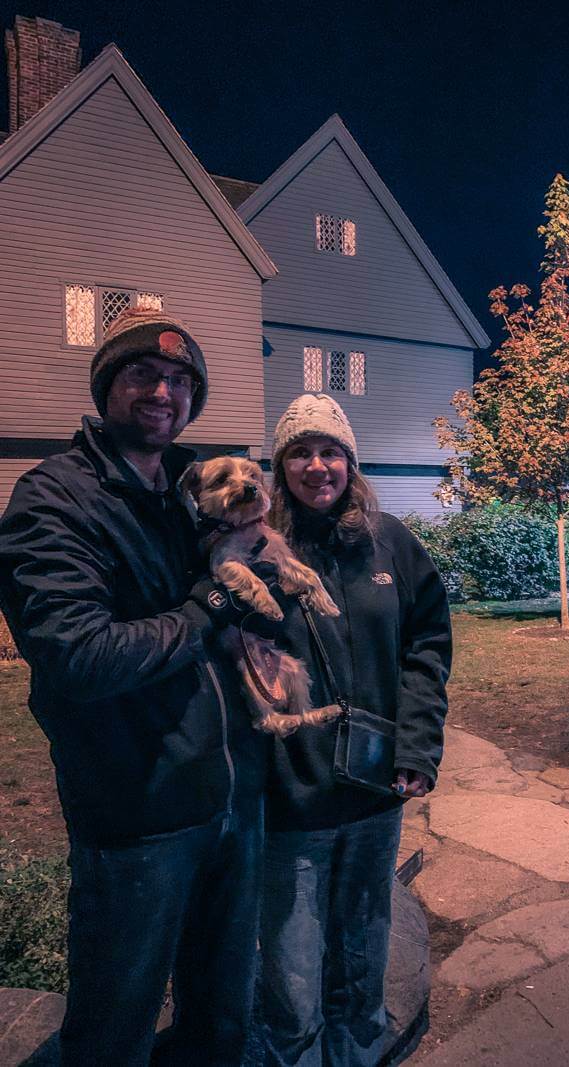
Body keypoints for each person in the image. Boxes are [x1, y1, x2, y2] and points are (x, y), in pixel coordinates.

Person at [0, 308, 266, 1067]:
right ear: (107, 383)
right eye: (144, 372)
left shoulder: (182, 495)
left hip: (226, 798)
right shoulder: (55, 499)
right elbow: (79, 654)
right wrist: (210, 602)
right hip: (139, 817)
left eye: (182, 381)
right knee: (114, 1030)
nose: (164, 391)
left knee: (219, 1016)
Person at [256, 393, 452, 1066]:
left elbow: (427, 644)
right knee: (294, 969)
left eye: (331, 451)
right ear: (280, 467)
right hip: (289, 799)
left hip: (374, 789)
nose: (318, 466)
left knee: (365, 949)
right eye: (301, 453)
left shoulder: (391, 540)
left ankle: (361, 1050)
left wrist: (419, 744)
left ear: (351, 461)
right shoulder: (255, 549)